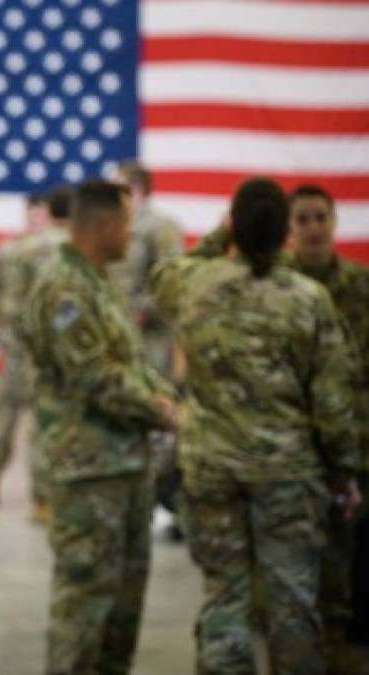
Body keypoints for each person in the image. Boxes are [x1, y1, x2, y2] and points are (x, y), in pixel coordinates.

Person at [151, 178, 362, 675]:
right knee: (292, 598)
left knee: (224, 592)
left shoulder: (193, 285)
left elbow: (165, 272)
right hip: (286, 473)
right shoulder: (308, 299)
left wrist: (216, 237)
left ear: (235, 228)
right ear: (285, 232)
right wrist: (343, 473)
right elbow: (332, 402)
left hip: (212, 471)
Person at [22, 180, 179, 675]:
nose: (132, 233)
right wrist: (167, 412)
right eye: (128, 221)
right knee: (84, 610)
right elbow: (97, 378)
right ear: (105, 223)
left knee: (121, 613)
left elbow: (129, 363)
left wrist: (167, 396)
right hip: (89, 473)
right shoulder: (64, 288)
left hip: (126, 466)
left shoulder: (97, 281)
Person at [284, 183, 369, 672]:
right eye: (303, 220)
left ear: (334, 224)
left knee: (344, 547)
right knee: (294, 551)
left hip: (353, 438)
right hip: (293, 443)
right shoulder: (278, 286)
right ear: (289, 231)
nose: (314, 228)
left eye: (321, 218)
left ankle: (337, 639)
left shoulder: (359, 285)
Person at [0, 189, 68, 522]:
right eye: (31, 213)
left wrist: (6, 338)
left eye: (40, 212)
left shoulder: (10, 251)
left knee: (14, 417)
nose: (35, 219)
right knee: (26, 419)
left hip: (21, 349)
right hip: (31, 351)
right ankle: (10, 487)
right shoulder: (51, 250)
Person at [108, 160, 182, 377]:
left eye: (118, 187)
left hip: (148, 335)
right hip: (114, 329)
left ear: (137, 189)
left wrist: (143, 311)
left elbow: (172, 279)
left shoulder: (160, 226)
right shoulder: (114, 226)